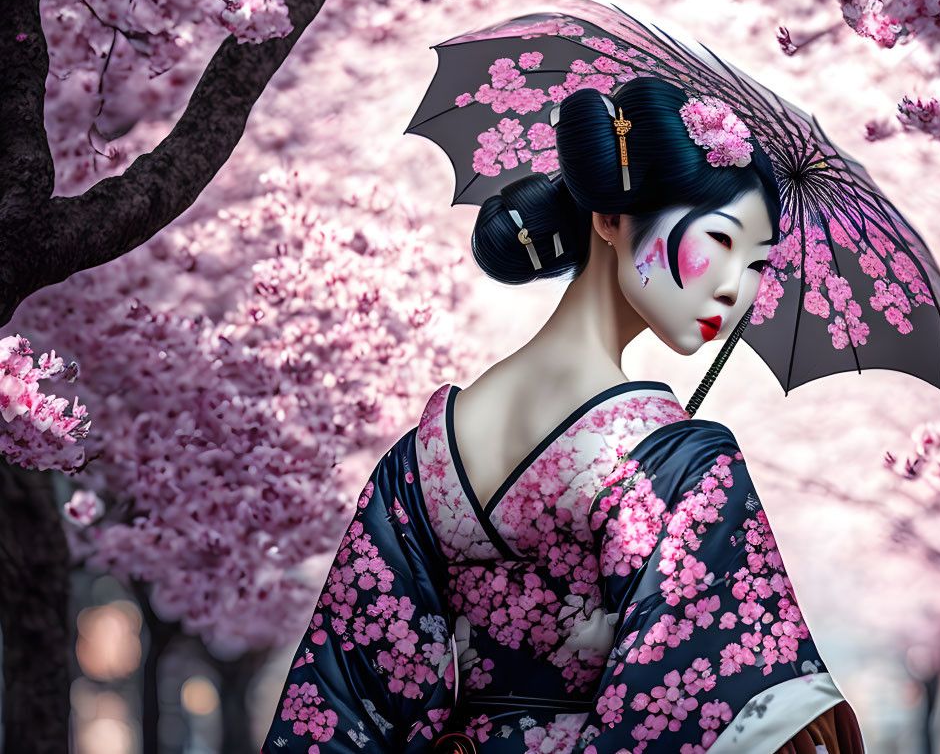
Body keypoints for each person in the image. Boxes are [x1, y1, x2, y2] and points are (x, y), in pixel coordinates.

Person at [259, 76, 865, 753]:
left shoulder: (423, 455)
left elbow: (346, 690)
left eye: (755, 263)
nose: (734, 286)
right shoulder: (682, 462)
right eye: (719, 242)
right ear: (608, 219)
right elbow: (696, 703)